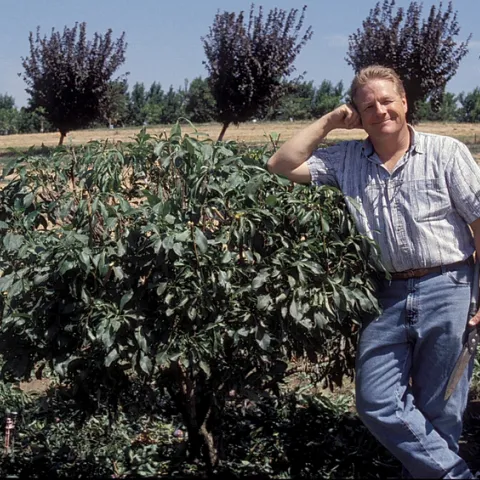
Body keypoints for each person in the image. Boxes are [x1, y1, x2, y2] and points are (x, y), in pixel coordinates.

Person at [267, 65, 480, 479]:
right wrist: (331, 121)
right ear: (358, 116)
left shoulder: (445, 152)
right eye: (368, 106)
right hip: (387, 294)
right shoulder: (345, 159)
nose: (380, 111)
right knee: (376, 401)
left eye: (387, 101)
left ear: (404, 103)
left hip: (449, 286)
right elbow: (281, 162)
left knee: (442, 409)